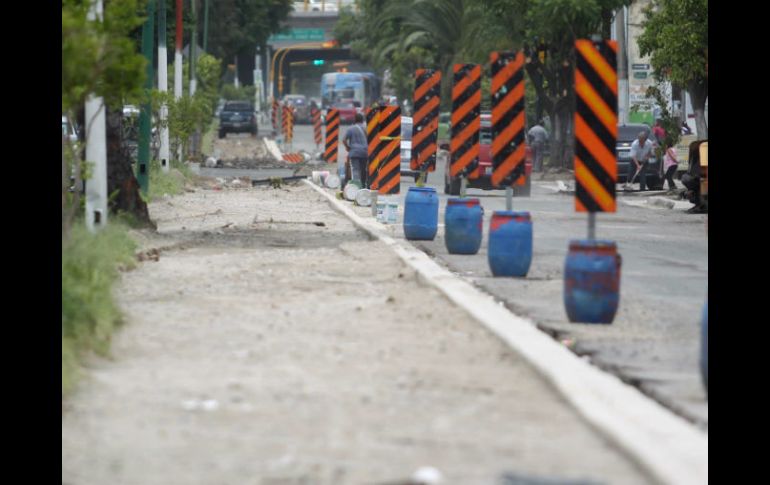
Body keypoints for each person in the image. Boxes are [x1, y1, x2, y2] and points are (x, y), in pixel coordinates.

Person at [342, 112, 369, 187]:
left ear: (355, 120)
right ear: (362, 120)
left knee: (355, 169)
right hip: (364, 152)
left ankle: (356, 186)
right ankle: (363, 185)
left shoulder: (351, 128)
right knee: (363, 170)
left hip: (354, 152)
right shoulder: (366, 129)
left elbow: (344, 140)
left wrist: (347, 147)